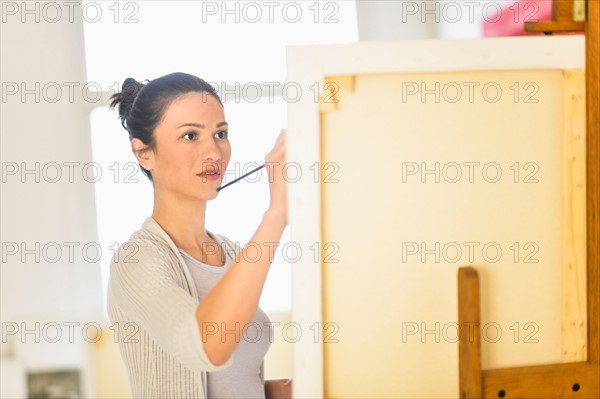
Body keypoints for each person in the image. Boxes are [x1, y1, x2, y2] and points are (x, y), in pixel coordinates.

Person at [106, 72, 292, 398]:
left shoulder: (233, 254)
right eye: (191, 136)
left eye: (220, 133)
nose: (214, 152)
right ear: (143, 153)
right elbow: (208, 346)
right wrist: (276, 214)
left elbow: (236, 384)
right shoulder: (136, 261)